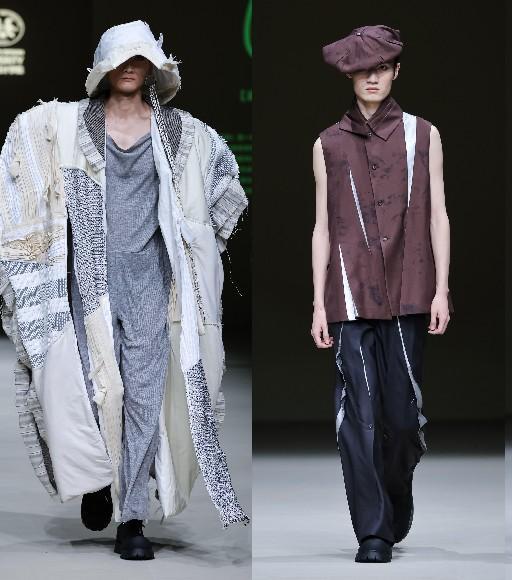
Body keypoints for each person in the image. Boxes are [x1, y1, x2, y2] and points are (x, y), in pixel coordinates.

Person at [0, 21, 249, 560]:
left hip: (152, 282)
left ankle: (131, 516)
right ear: (105, 68)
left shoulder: (181, 133)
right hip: (88, 281)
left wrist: (200, 246)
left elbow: (223, 187)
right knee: (95, 390)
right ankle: (98, 479)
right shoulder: (66, 127)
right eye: (121, 58)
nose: (131, 67)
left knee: (143, 396)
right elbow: (23, 163)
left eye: (141, 58)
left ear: (155, 67)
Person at [310, 24, 452, 564]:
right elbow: (322, 227)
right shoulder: (327, 144)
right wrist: (318, 301)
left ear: (395, 72)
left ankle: (396, 493)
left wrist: (442, 288)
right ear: (349, 75)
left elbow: (438, 214)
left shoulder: (424, 135)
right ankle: (372, 531)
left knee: (402, 418)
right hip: (348, 294)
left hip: (409, 288)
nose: (372, 77)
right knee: (358, 414)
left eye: (382, 68)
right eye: (362, 69)